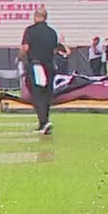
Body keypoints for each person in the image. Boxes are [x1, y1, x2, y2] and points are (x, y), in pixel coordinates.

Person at [19, 7, 66, 136]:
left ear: (35, 16)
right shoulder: (52, 32)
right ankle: (44, 121)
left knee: (37, 94)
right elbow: (55, 50)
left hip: (36, 65)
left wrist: (21, 58)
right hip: (49, 65)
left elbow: (25, 48)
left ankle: (43, 122)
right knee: (47, 95)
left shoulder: (30, 31)